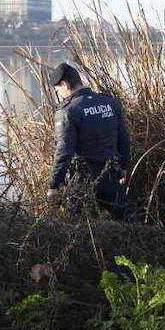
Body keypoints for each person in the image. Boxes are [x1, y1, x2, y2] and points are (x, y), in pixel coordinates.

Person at [47, 62, 132, 220]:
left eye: (58, 89)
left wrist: (54, 185)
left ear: (65, 84)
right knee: (125, 221)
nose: (58, 93)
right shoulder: (110, 103)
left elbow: (64, 151)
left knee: (78, 227)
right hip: (111, 174)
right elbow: (124, 139)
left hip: (82, 179)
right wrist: (124, 167)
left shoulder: (68, 111)